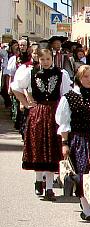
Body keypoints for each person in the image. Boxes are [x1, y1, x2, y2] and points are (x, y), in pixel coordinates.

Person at [11, 47, 72, 200]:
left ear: (52, 59)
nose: (45, 62)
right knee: (39, 148)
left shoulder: (61, 74)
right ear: (38, 59)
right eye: (42, 59)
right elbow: (15, 87)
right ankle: (39, 180)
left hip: (53, 113)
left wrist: (65, 113)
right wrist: (25, 103)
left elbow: (66, 95)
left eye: (48, 59)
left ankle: (50, 188)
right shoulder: (31, 72)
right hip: (37, 113)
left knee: (51, 149)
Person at [55, 65, 90, 218]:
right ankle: (86, 209)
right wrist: (64, 143)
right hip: (79, 139)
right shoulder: (69, 97)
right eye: (85, 77)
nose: (88, 80)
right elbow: (63, 122)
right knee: (82, 173)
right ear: (79, 78)